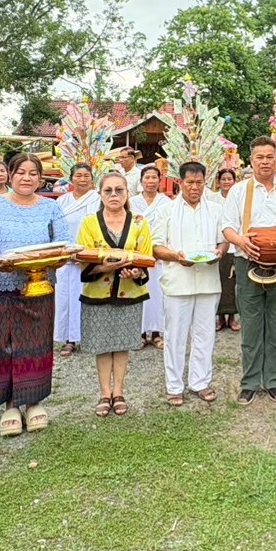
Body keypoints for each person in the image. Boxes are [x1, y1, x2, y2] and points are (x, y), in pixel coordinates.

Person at [0, 152, 70, 436]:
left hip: (39, 287)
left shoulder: (51, 209)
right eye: (21, 172)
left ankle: (34, 401)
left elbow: (62, 245)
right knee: (3, 344)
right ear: (10, 175)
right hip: (0, 286)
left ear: (41, 178)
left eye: (33, 173)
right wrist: (0, 263)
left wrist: (50, 260)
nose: (27, 178)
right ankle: (10, 405)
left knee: (36, 343)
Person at [220, 137, 276, 406]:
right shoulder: (239, 191)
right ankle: (250, 381)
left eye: (270, 157)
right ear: (251, 159)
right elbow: (227, 227)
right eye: (260, 157)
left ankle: (275, 379)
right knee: (252, 323)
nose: (265, 162)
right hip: (247, 262)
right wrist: (242, 241)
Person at [77, 172, 155, 417]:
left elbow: (146, 256)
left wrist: (136, 271)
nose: (113, 195)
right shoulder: (89, 223)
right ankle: (103, 393)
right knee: (102, 345)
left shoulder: (140, 222)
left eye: (119, 190)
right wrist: (107, 266)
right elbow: (83, 258)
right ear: (100, 194)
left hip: (129, 293)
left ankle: (119, 391)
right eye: (108, 190)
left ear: (127, 193)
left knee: (122, 344)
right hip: (97, 292)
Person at [148, 162, 223, 406]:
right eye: (189, 183)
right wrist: (177, 257)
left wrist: (220, 252)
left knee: (205, 334)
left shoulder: (215, 208)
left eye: (199, 183)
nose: (194, 187)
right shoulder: (166, 211)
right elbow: (156, 247)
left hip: (208, 280)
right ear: (180, 183)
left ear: (205, 182)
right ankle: (174, 385)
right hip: (178, 282)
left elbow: (224, 241)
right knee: (175, 336)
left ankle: (200, 382)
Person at [54, 164, 100, 356]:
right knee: (65, 299)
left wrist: (87, 253)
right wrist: (64, 251)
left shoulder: (98, 200)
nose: (82, 179)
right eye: (78, 175)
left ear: (92, 179)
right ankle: (69, 339)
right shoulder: (61, 201)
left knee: (89, 298)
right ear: (71, 179)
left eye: (86, 176)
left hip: (89, 257)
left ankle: (91, 337)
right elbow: (54, 227)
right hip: (65, 257)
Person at [131, 165, 171, 349]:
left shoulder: (167, 203)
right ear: (141, 181)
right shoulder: (132, 202)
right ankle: (139, 333)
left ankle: (156, 333)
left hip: (158, 254)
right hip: (138, 252)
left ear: (159, 180)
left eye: (154, 177)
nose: (150, 181)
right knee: (138, 292)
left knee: (157, 294)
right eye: (147, 177)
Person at [213, 167, 240, 333]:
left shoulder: (238, 197)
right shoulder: (212, 199)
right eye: (223, 179)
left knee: (233, 284)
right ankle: (220, 317)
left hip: (234, 246)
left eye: (229, 179)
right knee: (219, 282)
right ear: (218, 182)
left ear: (234, 181)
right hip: (217, 245)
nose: (226, 182)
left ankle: (233, 316)